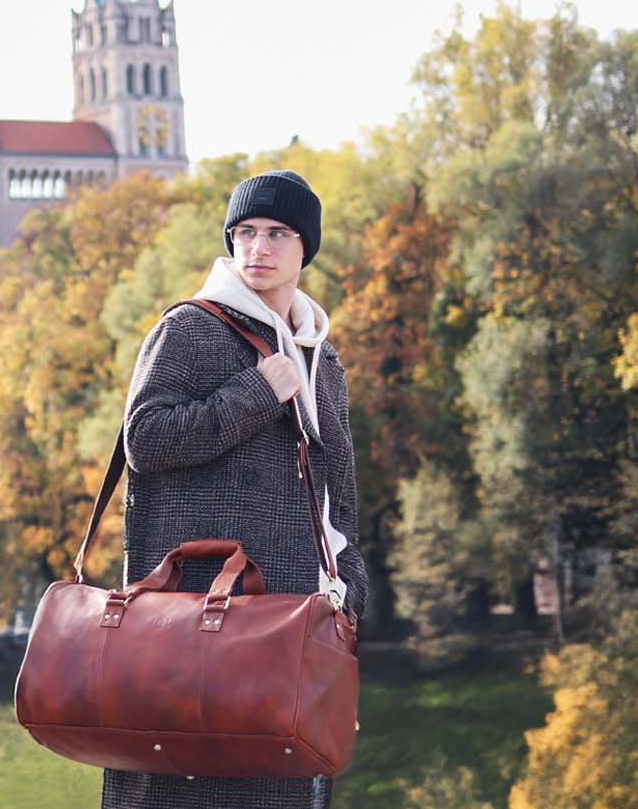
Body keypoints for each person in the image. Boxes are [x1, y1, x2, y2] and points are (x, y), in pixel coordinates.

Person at [104, 170, 371, 809]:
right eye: (245, 233)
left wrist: (350, 582)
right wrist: (255, 393)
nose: (258, 247)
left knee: (291, 780)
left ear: (305, 249)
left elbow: (336, 493)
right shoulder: (190, 329)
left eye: (278, 234)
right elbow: (144, 440)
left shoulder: (321, 358)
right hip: (196, 635)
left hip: (295, 630)